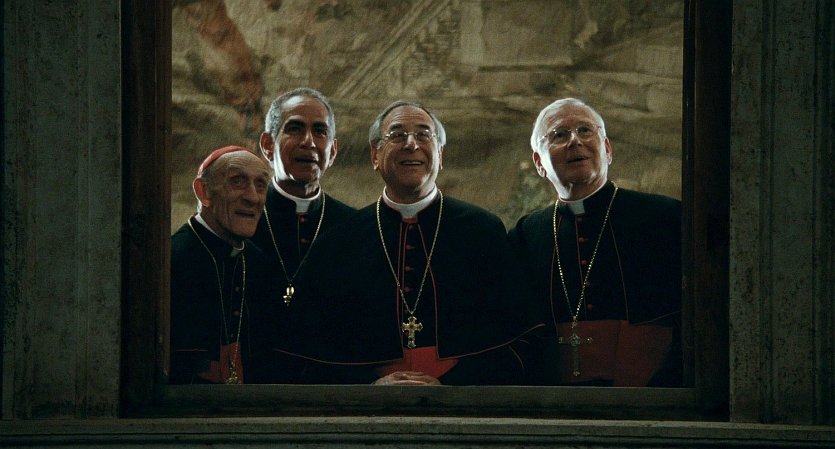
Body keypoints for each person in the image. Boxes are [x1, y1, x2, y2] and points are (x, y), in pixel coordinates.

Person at [282, 100, 541, 385]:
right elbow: (308, 348)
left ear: (440, 155)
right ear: (375, 155)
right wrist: (368, 384)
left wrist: (452, 385)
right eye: (396, 135)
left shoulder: (483, 231)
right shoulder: (339, 242)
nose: (411, 144)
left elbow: (518, 338)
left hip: (463, 400)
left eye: (423, 134)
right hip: (366, 404)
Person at [509, 98, 682, 387]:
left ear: (608, 149)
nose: (574, 141)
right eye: (559, 135)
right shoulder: (527, 234)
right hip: (554, 398)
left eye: (585, 130)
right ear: (539, 163)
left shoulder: (665, 217)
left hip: (653, 392)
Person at [250, 87, 355, 383]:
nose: (308, 141)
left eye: (320, 132)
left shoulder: (354, 227)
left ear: (332, 151)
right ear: (268, 145)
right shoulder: (241, 221)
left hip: (333, 387)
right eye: (295, 128)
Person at [170, 145, 272, 384]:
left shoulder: (261, 264)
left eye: (260, 185)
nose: (252, 197)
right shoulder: (172, 260)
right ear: (204, 191)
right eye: (237, 181)